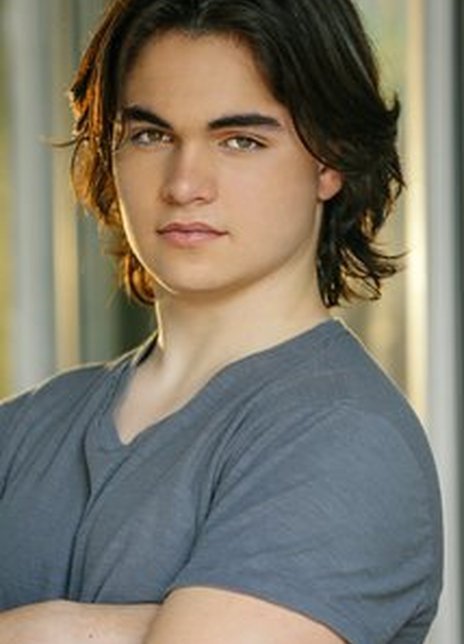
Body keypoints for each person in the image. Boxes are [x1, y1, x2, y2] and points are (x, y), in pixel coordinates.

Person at [0, 0, 443, 642]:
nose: (184, 185)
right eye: (151, 135)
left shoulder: (347, 438)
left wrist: (52, 627)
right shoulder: (24, 427)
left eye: (240, 141)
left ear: (330, 160)